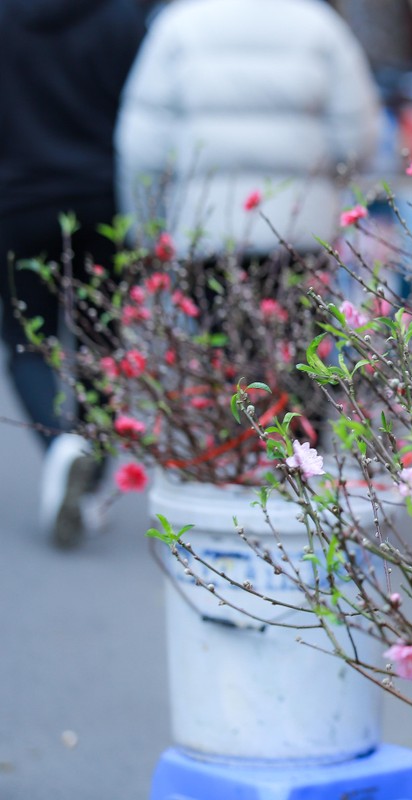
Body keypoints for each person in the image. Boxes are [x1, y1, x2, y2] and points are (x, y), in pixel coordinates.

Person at [0, 0, 148, 548]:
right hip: (103, 202)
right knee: (101, 342)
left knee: (25, 339)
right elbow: (144, 111)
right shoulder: (122, 18)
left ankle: (61, 447)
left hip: (16, 202)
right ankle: (88, 483)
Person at [115, 0, 380, 261]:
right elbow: (355, 141)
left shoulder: (177, 26)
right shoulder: (321, 26)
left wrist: (148, 237)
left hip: (202, 234)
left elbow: (144, 150)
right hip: (301, 234)